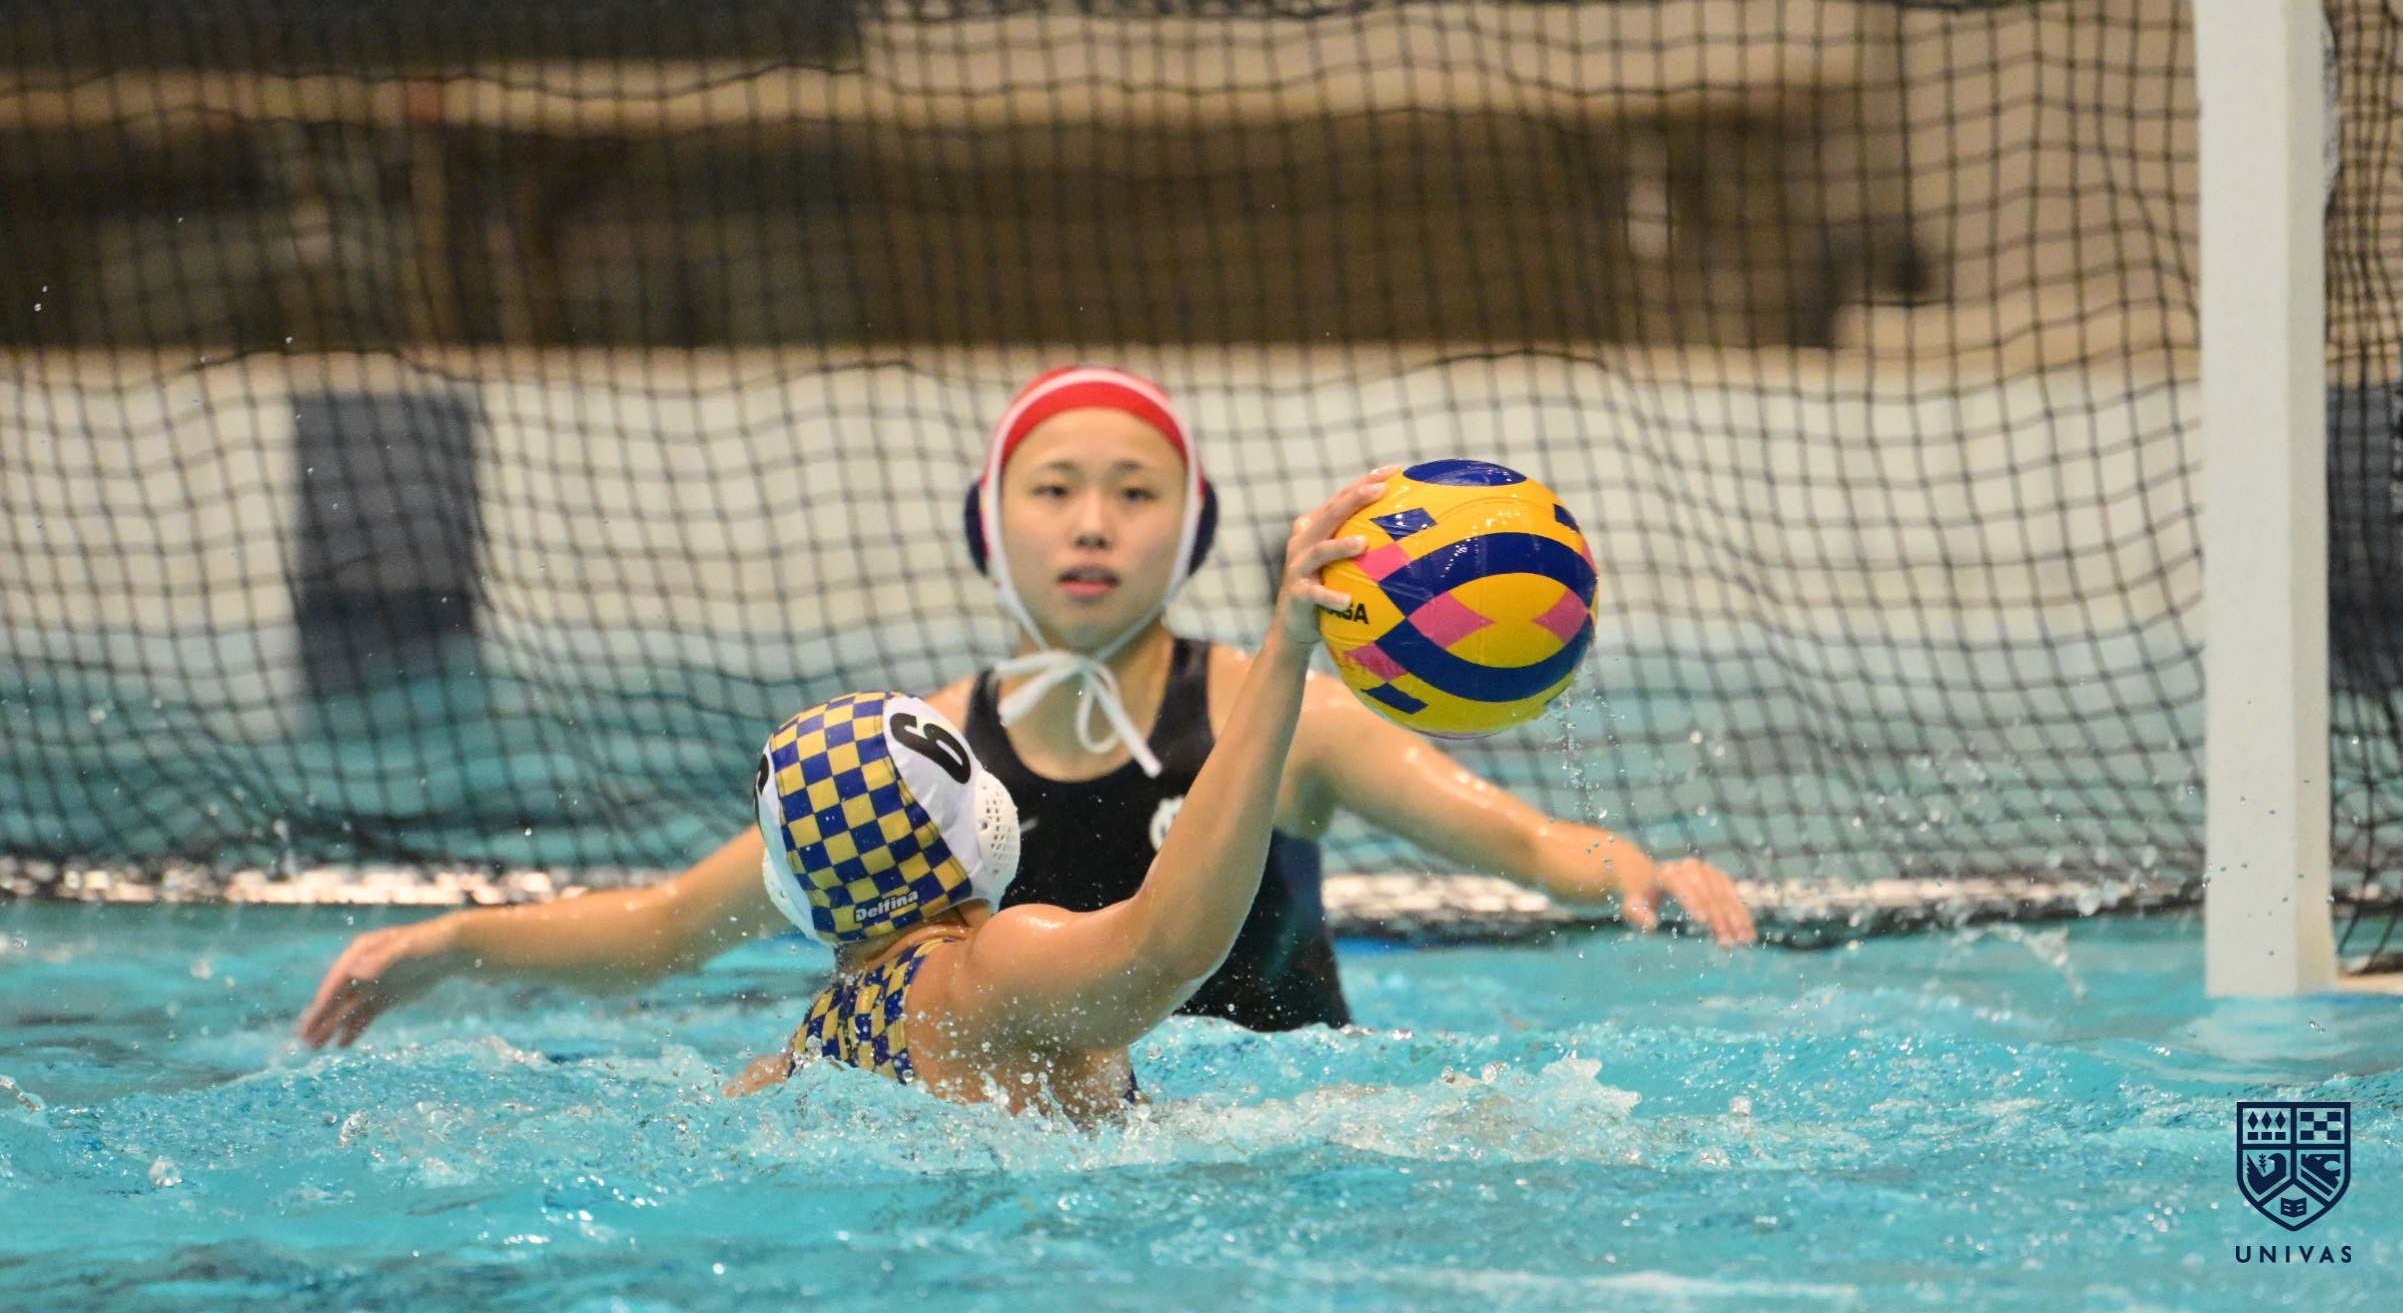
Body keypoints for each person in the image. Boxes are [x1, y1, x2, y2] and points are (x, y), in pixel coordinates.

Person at [296, 368, 1752, 1051]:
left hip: (1280, 1117)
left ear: (1192, 529)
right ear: (991, 527)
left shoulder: (1278, 710)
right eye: (1053, 489)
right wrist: (454, 942)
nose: (1092, 522)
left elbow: (1510, 834)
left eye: (1135, 492)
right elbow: (674, 924)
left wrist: (1632, 870)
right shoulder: (923, 758)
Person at [718, 469, 1386, 1117]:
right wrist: (1285, 650)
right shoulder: (994, 974)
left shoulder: (803, 1055)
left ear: (791, 890)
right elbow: (1169, 945)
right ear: (985, 819)